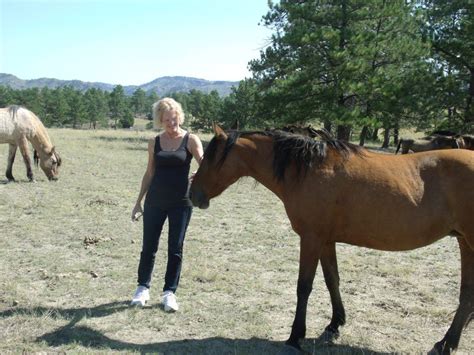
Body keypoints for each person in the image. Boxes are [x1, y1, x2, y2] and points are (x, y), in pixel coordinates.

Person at [130, 97, 203, 311]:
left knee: (175, 248)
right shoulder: (155, 142)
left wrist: (201, 172)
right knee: (148, 247)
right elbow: (149, 172)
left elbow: (205, 163)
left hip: (181, 203)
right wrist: (138, 203)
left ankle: (169, 293)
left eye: (174, 119)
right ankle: (142, 288)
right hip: (155, 201)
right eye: (166, 120)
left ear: (179, 116)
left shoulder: (191, 139)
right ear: (160, 121)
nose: (172, 124)